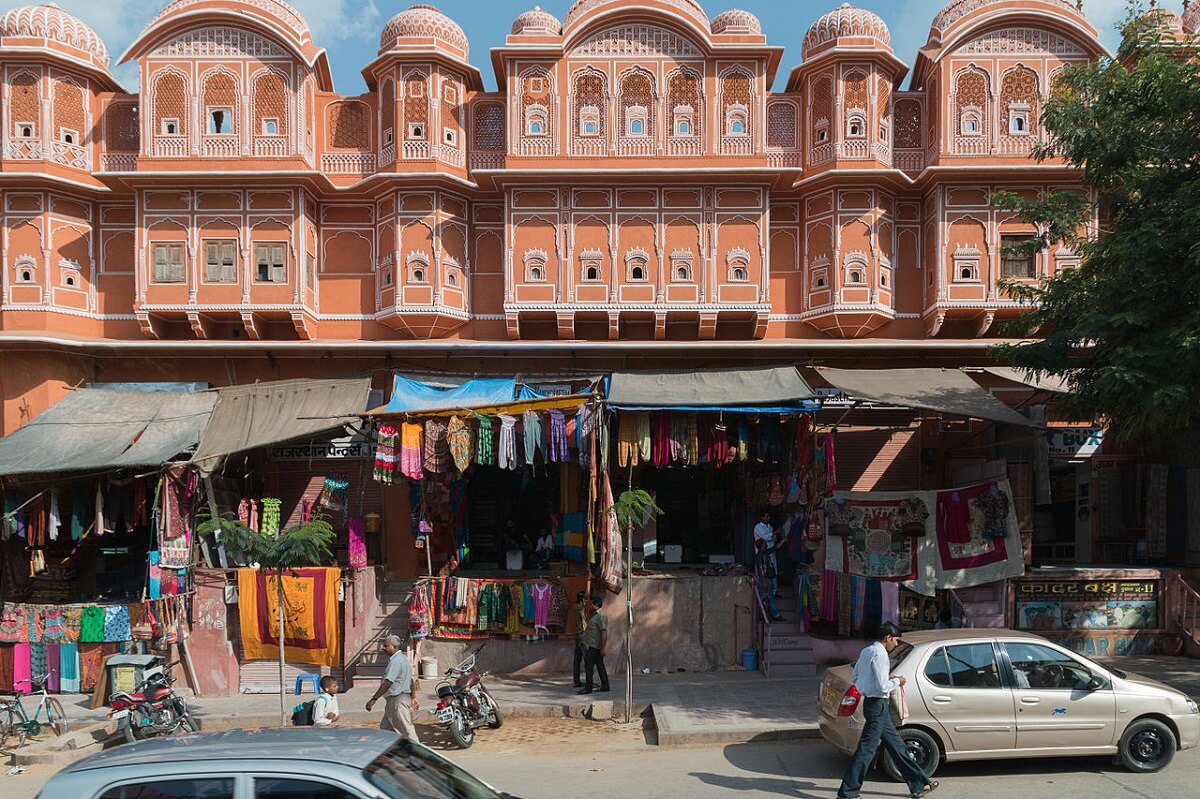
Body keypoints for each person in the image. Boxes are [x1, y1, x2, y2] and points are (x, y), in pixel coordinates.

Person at [837, 623, 938, 799]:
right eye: (896, 640)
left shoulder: (867, 651)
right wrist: (897, 681)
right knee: (866, 750)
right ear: (888, 638)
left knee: (897, 745)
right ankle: (848, 792)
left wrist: (885, 679)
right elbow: (883, 687)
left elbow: (857, 677)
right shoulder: (881, 654)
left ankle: (919, 784)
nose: (896, 644)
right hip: (878, 705)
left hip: (873, 704)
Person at [366, 634, 421, 741]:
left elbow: (388, 682)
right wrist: (413, 697)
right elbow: (410, 681)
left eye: (386, 646)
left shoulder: (396, 661)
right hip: (395, 701)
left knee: (407, 731)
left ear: (394, 647)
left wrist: (374, 699)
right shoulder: (404, 660)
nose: (383, 648)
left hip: (397, 700)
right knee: (386, 731)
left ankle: (417, 749)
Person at [577, 594, 610, 695]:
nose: (590, 606)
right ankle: (605, 685)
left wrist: (603, 648)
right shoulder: (595, 615)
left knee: (589, 666)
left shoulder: (601, 616)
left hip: (595, 646)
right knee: (600, 666)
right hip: (592, 645)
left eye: (591, 604)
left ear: (596, 604)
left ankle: (588, 687)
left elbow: (604, 632)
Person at [755, 537, 782, 622]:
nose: (767, 544)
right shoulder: (760, 555)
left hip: (769, 577)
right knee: (765, 597)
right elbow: (760, 569)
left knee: (769, 596)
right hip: (765, 578)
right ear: (762, 545)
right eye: (765, 543)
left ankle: (771, 614)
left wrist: (783, 541)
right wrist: (764, 581)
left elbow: (775, 548)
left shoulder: (765, 552)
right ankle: (764, 615)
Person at [572, 590, 587, 688]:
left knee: (577, 658)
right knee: (587, 658)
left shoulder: (575, 606)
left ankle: (576, 680)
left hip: (578, 633)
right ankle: (589, 681)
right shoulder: (581, 607)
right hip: (582, 633)